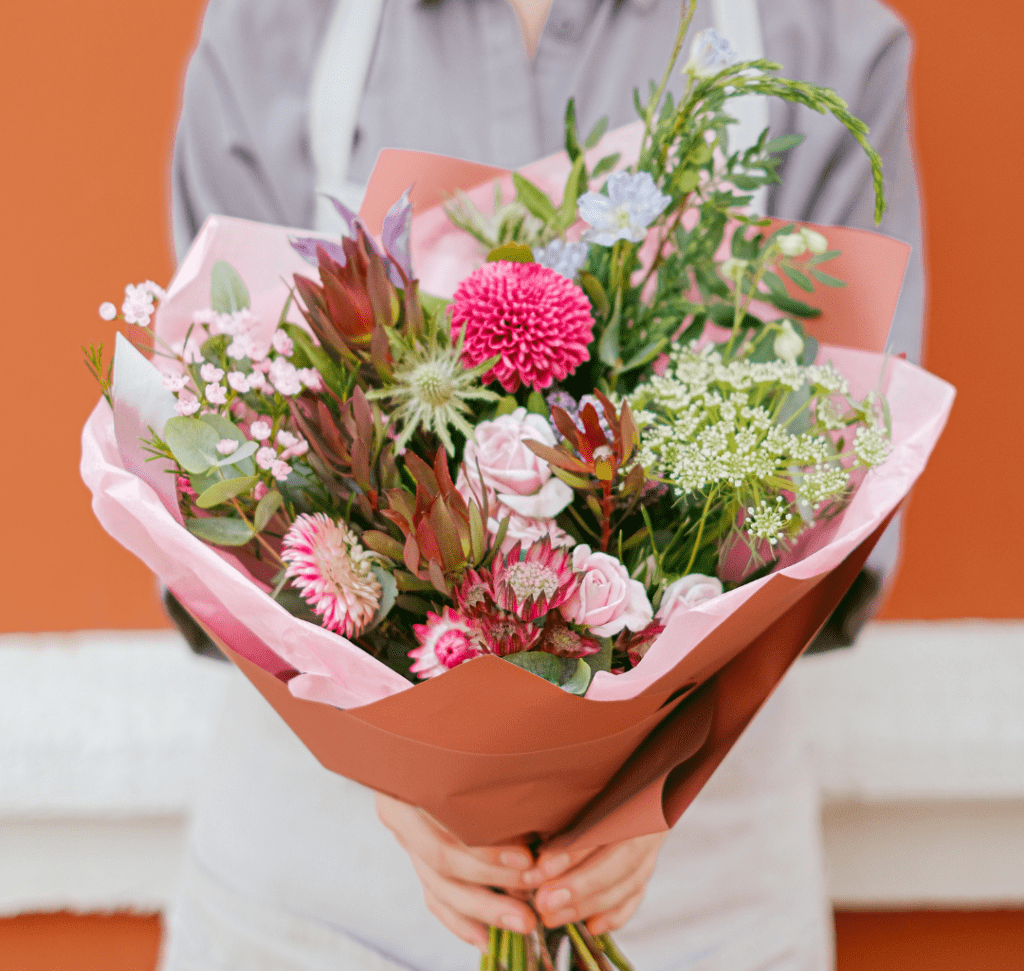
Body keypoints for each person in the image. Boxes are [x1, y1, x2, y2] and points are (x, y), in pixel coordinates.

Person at [161, 1, 925, 968]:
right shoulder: (276, 27)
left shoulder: (823, 37)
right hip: (326, 884)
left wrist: (655, 784)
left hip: (696, 878)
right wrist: (403, 778)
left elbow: (846, 469)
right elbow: (222, 468)